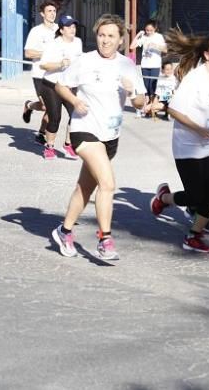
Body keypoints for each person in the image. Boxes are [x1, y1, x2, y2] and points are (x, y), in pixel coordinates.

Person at [50, 14, 144, 262]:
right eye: (101, 35)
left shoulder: (127, 66)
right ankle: (105, 239)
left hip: (110, 136)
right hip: (84, 130)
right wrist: (74, 100)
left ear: (121, 40)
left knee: (86, 187)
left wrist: (131, 90)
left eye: (111, 36)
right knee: (108, 184)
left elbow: (141, 102)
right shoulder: (85, 61)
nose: (105, 41)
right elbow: (60, 85)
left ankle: (64, 231)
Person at [150, 32, 209, 254]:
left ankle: (193, 236)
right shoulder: (195, 78)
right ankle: (164, 198)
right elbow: (173, 109)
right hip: (187, 144)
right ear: (207, 55)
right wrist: (199, 129)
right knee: (196, 196)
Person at [37, 15, 83, 160]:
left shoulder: (78, 42)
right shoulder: (53, 44)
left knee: (76, 116)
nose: (72, 29)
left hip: (70, 86)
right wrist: (60, 64)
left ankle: (68, 144)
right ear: (61, 30)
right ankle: (49, 147)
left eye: (74, 26)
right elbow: (43, 65)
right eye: (69, 26)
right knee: (55, 117)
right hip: (51, 85)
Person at [22, 0, 60, 145]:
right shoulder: (36, 31)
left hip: (57, 74)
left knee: (52, 108)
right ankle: (29, 105)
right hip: (40, 74)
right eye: (49, 11)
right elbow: (28, 53)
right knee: (45, 106)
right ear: (42, 14)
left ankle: (41, 133)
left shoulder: (60, 30)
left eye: (54, 11)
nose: (52, 14)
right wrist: (47, 54)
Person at [129, 19, 166, 118]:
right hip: (145, 65)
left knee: (152, 88)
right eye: (147, 30)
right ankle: (146, 109)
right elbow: (132, 46)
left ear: (155, 29)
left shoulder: (159, 37)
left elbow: (165, 49)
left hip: (155, 65)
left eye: (150, 30)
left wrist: (155, 46)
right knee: (146, 88)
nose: (148, 32)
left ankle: (152, 108)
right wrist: (138, 35)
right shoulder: (144, 37)